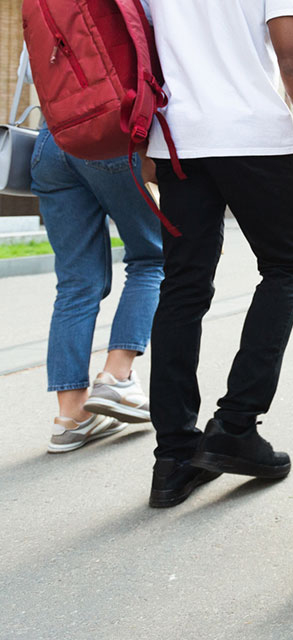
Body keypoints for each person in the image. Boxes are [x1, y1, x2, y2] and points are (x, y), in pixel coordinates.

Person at [140, 0, 293, 508]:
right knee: (286, 267)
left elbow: (139, 52)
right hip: (254, 138)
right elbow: (292, 57)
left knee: (182, 287)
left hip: (178, 141)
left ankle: (174, 458)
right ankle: (235, 425)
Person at [24, 45, 164, 454]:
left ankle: (71, 417)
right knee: (152, 257)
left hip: (51, 141)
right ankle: (116, 376)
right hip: (108, 134)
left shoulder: (43, 7)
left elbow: (33, 76)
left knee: (75, 282)